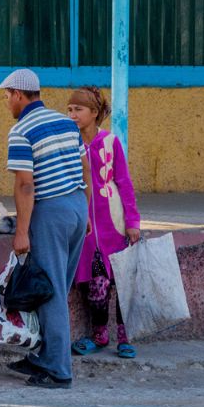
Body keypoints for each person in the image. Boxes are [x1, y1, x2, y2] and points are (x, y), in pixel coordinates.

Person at [1, 69, 89, 389]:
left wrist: (21, 232)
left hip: (50, 212)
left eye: (8, 95)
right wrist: (87, 211)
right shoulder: (66, 123)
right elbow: (84, 167)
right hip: (77, 206)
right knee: (57, 288)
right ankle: (43, 355)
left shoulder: (22, 130)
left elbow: (25, 186)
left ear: (20, 95)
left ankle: (58, 369)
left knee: (50, 291)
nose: (7, 102)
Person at [66, 86, 142, 360]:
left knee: (120, 282)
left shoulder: (110, 143)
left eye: (79, 109)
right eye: (70, 109)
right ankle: (100, 334)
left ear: (95, 113)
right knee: (97, 286)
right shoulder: (68, 143)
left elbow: (124, 182)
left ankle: (125, 336)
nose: (73, 114)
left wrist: (132, 221)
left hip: (114, 226)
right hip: (86, 231)